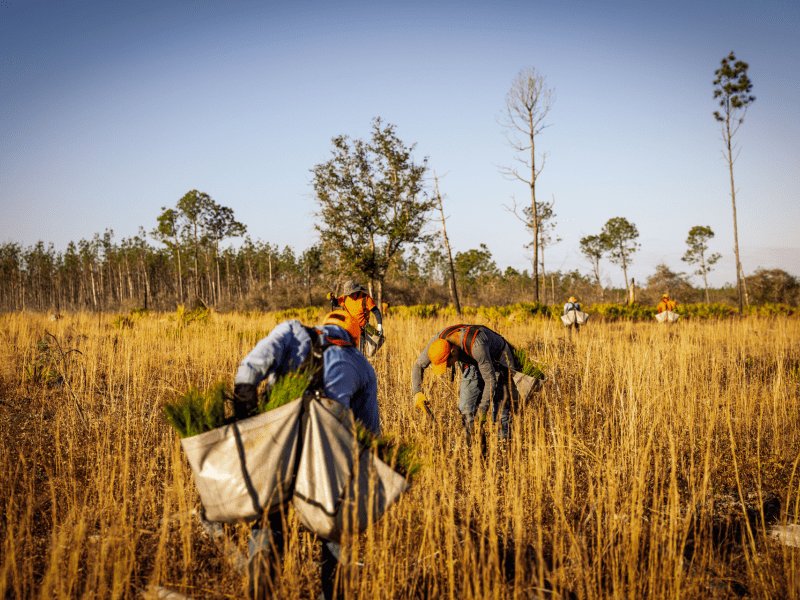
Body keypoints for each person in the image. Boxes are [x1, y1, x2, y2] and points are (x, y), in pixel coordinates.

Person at [233, 310, 380, 600]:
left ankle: (262, 561)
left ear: (323, 324)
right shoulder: (361, 364)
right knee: (335, 536)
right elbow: (368, 434)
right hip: (328, 460)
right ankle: (333, 589)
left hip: (279, 448)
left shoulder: (292, 332)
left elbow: (253, 366)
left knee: (271, 522)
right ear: (352, 336)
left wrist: (246, 393)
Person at [411, 324, 514, 442]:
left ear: (453, 351)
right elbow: (418, 365)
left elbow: (490, 380)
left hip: (499, 360)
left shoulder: (476, 345)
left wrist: (482, 409)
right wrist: (417, 392)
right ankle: (476, 445)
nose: (448, 367)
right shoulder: (438, 341)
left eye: (447, 363)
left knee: (500, 408)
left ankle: (505, 447)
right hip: (473, 360)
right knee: (465, 406)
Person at [326, 280, 383, 353]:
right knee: (347, 350)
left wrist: (379, 325)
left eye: (350, 293)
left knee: (360, 351)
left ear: (355, 291)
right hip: (348, 329)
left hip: (361, 329)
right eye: (348, 293)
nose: (349, 295)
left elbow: (376, 311)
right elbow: (336, 303)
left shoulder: (366, 298)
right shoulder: (345, 298)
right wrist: (332, 299)